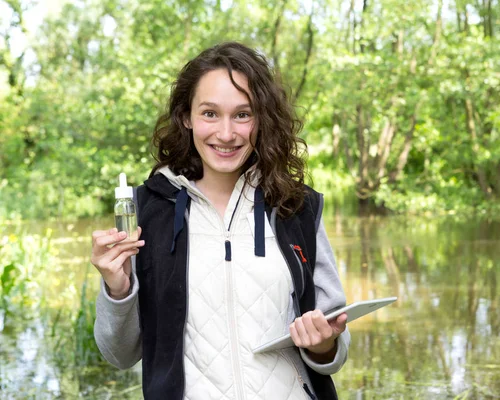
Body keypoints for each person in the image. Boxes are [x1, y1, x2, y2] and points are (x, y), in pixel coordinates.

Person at [91, 41, 350, 400]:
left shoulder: (298, 206)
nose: (226, 134)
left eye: (242, 114)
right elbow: (119, 355)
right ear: (186, 116)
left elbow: (335, 348)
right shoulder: (146, 209)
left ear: (262, 119)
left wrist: (324, 344)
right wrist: (117, 289)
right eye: (210, 113)